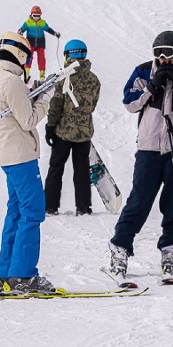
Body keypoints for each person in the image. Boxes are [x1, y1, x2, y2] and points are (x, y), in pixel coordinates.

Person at [108, 30, 173, 282]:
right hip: (149, 148)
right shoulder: (144, 71)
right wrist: (151, 87)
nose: (163, 60)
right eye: (158, 54)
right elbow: (130, 103)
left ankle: (169, 249)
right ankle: (120, 248)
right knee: (139, 200)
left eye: (168, 54)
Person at [0, 31, 56, 294]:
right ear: (20, 54)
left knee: (16, 211)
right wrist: (45, 98)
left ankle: (6, 273)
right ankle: (23, 275)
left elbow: (17, 111)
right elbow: (27, 121)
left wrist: (33, 93)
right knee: (33, 210)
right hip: (21, 156)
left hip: (8, 154)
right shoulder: (12, 82)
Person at [43, 39, 101, 216]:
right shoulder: (94, 79)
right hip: (84, 132)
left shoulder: (62, 78)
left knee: (56, 167)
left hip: (63, 132)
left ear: (68, 55)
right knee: (81, 169)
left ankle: (50, 206)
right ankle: (83, 207)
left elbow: (55, 106)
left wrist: (50, 126)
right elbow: (92, 106)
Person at [18, 5, 60, 79]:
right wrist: (20, 31)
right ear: (31, 14)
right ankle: (26, 73)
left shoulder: (42, 22)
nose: (36, 17)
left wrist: (55, 33)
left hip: (40, 43)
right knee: (29, 57)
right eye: (34, 15)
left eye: (38, 15)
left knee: (41, 58)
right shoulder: (28, 23)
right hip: (30, 43)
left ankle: (42, 75)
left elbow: (48, 29)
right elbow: (22, 29)